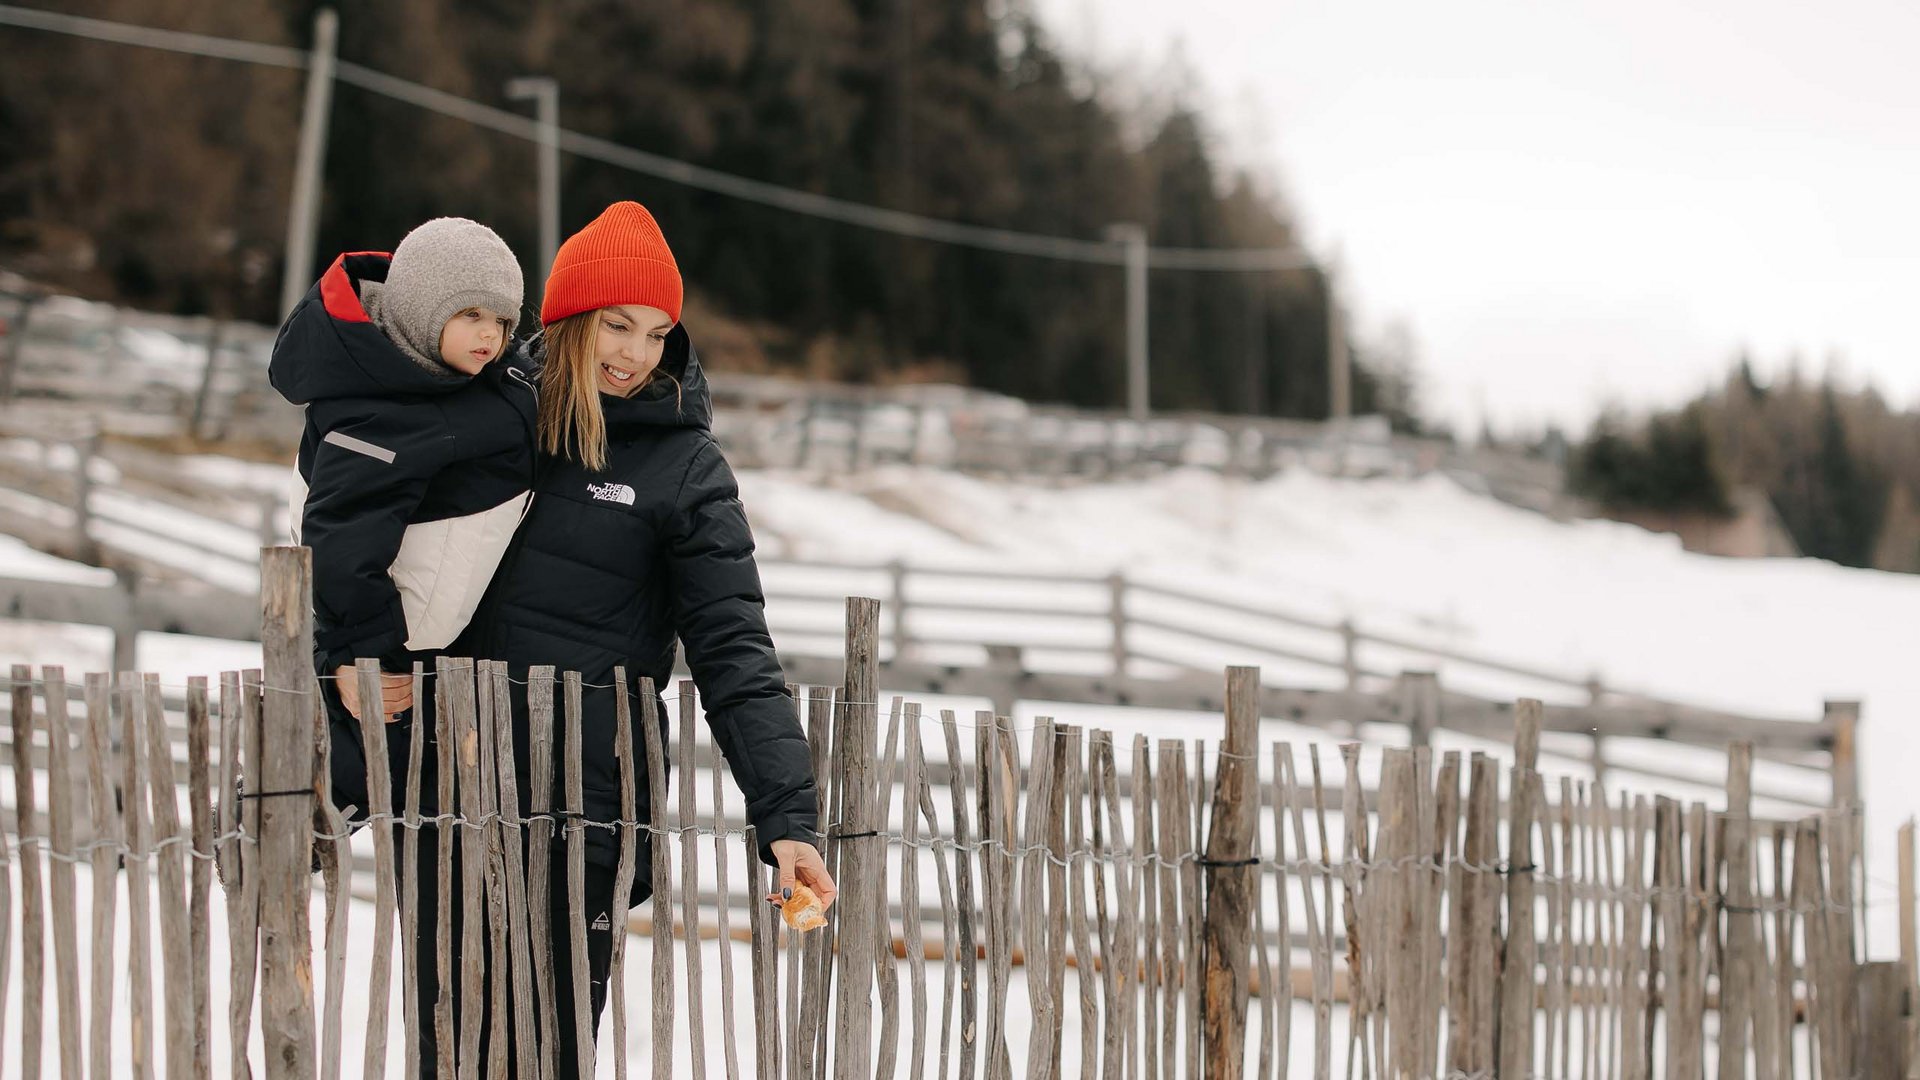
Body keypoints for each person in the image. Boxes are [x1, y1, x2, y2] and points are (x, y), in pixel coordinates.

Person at [450, 200, 836, 1072]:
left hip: (586, 803)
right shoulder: (490, 423)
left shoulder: (685, 468)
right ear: (567, 318)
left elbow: (734, 648)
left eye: (658, 333)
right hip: (460, 780)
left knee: (543, 1048)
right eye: (618, 325)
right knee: (452, 1033)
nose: (635, 353)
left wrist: (786, 816)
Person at [267, 217, 536, 818]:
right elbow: (341, 543)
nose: (490, 337)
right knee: (334, 787)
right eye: (471, 316)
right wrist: (367, 655)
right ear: (419, 310)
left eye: (502, 322)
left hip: (440, 644)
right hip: (389, 646)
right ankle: (266, 830)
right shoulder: (375, 411)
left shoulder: (467, 382)